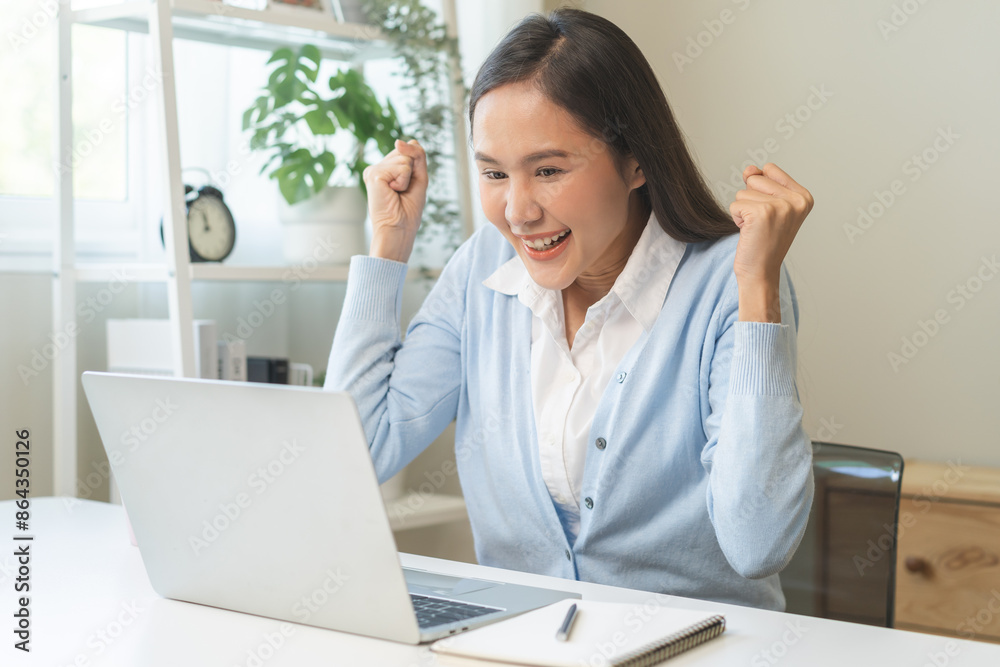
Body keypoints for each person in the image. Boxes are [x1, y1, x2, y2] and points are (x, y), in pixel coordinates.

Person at [325, 7, 814, 611]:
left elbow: (756, 542)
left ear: (637, 159)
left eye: (549, 170)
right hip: (520, 645)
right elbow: (357, 453)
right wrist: (387, 250)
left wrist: (758, 290)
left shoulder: (729, 281)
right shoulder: (482, 268)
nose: (518, 211)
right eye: (494, 173)